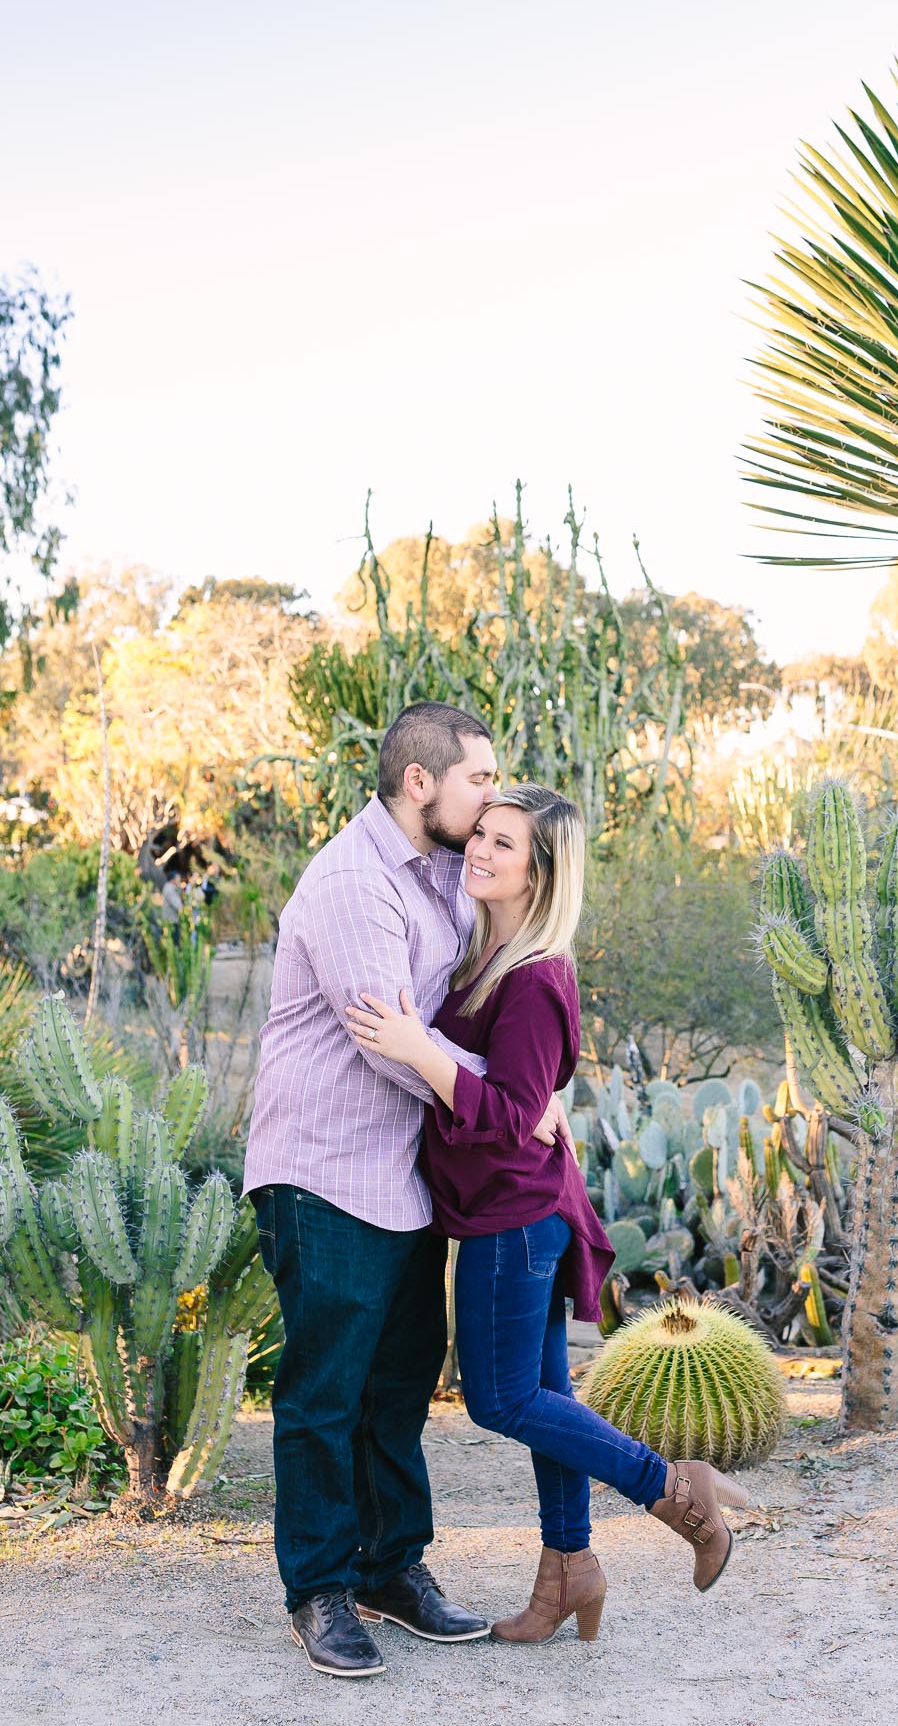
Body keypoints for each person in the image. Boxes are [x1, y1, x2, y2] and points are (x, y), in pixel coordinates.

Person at [345, 782, 747, 1645]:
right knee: (546, 1393)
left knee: (500, 1400)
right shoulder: (485, 956)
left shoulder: (535, 978)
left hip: (513, 1218)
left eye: (504, 845)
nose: (478, 853)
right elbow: (524, 1096)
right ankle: (570, 1569)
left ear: (540, 872)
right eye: (478, 836)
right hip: (512, 1209)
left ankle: (672, 1488)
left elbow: (503, 1112)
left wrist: (417, 1047)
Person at [242, 703, 573, 1679]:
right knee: (325, 1391)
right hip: (327, 1171)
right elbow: (390, 1049)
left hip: (405, 1179)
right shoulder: (355, 881)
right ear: (421, 781)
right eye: (479, 778)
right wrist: (514, 1095)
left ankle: (392, 1567)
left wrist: (523, 1081)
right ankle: (320, 1587)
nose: (490, 797)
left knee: (395, 1388)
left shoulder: (440, 873)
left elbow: (457, 1019)